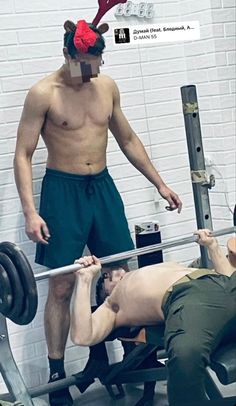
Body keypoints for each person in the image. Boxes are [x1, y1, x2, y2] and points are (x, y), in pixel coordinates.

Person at [13, 19, 182, 406]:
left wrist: (160, 183)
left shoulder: (105, 86)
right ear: (67, 55)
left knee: (122, 277)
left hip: (103, 189)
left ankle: (133, 360)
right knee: (61, 285)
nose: (92, 72)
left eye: (97, 64)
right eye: (84, 64)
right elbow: (23, 154)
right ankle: (58, 377)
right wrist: (30, 212)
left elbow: (127, 138)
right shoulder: (43, 93)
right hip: (62, 193)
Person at [71, 229, 236, 406]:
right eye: (105, 277)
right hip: (189, 299)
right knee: (185, 356)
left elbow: (227, 276)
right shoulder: (113, 305)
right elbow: (82, 335)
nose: (111, 272)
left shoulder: (157, 269)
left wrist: (212, 246)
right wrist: (85, 279)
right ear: (106, 294)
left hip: (221, 282)